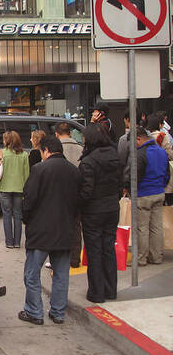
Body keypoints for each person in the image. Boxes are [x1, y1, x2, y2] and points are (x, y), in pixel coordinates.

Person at [20, 136, 81, 325]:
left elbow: (29, 200)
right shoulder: (74, 171)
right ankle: (58, 312)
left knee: (32, 273)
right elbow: (79, 202)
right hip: (65, 231)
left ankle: (34, 311)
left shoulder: (39, 170)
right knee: (61, 274)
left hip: (41, 231)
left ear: (46, 150)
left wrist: (26, 219)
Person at [78, 124, 122, 303]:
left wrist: (78, 205)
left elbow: (86, 192)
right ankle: (111, 290)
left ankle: (97, 292)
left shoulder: (88, 162)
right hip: (112, 208)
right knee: (109, 249)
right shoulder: (115, 156)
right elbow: (121, 183)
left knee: (94, 251)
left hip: (94, 211)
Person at [128, 127, 170, 265]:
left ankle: (141, 258)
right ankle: (157, 256)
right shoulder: (161, 152)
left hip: (143, 194)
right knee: (157, 227)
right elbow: (167, 174)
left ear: (138, 139)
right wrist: (161, 186)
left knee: (142, 228)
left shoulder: (140, 154)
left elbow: (135, 176)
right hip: (159, 192)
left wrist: (130, 190)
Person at [0, 131, 29, 248]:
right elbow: (27, 174)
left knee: (7, 214)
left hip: (4, 187)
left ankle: (9, 242)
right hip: (19, 188)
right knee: (18, 215)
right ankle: (17, 242)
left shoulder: (0, 153)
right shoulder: (24, 155)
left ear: (6, 141)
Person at [56, 122, 84, 267]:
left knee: (59, 226)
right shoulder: (81, 148)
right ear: (71, 133)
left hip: (60, 193)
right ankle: (75, 258)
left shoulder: (57, 150)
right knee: (76, 226)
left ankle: (60, 258)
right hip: (77, 192)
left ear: (56, 134)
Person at [146, 114, 173, 205]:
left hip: (148, 172)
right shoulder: (162, 136)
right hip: (162, 170)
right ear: (160, 125)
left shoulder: (144, 136)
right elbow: (169, 154)